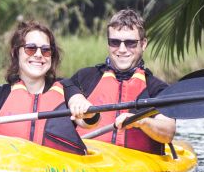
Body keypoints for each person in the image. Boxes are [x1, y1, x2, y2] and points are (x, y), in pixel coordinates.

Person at [0, 20, 89, 154]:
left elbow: (88, 121)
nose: (39, 55)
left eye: (46, 50)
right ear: (15, 53)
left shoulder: (66, 88)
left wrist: (85, 110)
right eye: (30, 49)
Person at [65, 9, 176, 155]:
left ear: (143, 44)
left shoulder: (157, 89)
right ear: (108, 44)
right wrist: (76, 99)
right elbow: (64, 87)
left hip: (137, 167)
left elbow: (168, 131)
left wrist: (141, 121)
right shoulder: (84, 78)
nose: (122, 49)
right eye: (115, 42)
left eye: (130, 43)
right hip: (88, 161)